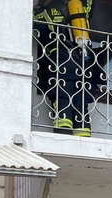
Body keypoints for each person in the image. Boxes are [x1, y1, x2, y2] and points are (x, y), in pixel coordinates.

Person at [33, 0, 95, 137]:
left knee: (63, 98)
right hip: (82, 61)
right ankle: (83, 134)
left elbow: (36, 27)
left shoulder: (51, 9)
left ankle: (62, 134)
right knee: (81, 102)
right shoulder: (81, 8)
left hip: (61, 60)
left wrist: (38, 10)